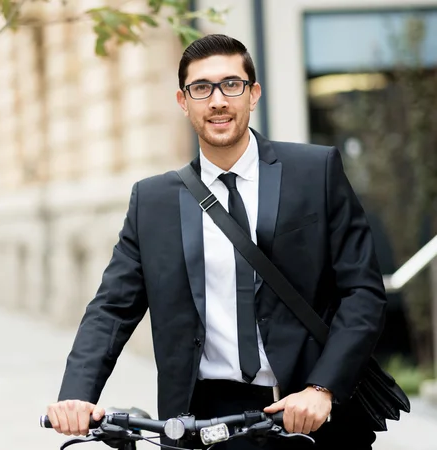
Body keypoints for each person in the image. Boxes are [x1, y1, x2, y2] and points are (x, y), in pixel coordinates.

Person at [46, 34, 387, 450]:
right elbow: (112, 308)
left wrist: (323, 388)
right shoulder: (152, 201)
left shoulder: (316, 171)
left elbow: (362, 291)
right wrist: (77, 394)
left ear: (253, 94)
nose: (218, 100)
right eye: (201, 88)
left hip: (308, 409)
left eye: (231, 84)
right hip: (205, 420)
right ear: (182, 101)